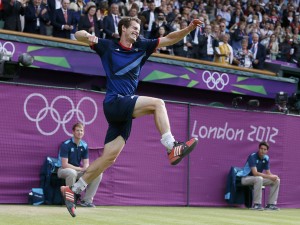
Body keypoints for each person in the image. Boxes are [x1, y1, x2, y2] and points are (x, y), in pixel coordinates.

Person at [60, 16, 200, 217]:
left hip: (123, 113)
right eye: (134, 28)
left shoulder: (142, 46)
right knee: (157, 104)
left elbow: (170, 39)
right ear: (123, 29)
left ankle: (74, 190)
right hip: (115, 102)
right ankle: (171, 146)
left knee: (109, 159)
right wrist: (89, 36)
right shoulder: (108, 47)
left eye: (139, 28)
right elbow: (78, 35)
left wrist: (188, 28)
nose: (137, 31)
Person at [57, 122, 102, 208]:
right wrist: (80, 169)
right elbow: (64, 164)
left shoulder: (84, 145)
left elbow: (86, 163)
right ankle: (70, 201)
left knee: (98, 174)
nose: (80, 132)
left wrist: (87, 169)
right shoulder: (66, 145)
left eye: (81, 130)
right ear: (73, 132)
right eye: (77, 130)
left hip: (77, 170)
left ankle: (86, 201)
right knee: (72, 172)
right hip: (63, 170)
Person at [240, 141, 280, 210]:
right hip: (245, 178)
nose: (263, 151)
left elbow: (268, 173)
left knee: (276, 180)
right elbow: (255, 173)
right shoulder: (252, 156)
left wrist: (274, 176)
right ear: (259, 149)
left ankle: (271, 204)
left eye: (265, 149)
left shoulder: (266, 158)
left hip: (257, 179)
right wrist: (270, 176)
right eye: (261, 149)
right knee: (259, 178)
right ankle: (257, 204)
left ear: (267, 151)